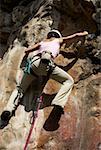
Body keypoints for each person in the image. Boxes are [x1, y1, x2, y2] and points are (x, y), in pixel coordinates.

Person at [0, 29, 88, 130]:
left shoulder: (42, 42)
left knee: (20, 89)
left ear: (48, 36)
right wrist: (84, 34)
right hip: (45, 64)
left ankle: (8, 110)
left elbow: (27, 51)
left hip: (33, 65)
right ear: (57, 36)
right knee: (68, 81)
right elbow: (75, 35)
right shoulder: (58, 40)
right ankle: (58, 103)